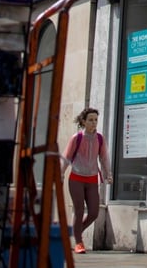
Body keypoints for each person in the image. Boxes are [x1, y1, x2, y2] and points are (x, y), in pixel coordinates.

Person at [62, 107, 113, 254]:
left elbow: (104, 157)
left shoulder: (100, 138)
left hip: (92, 179)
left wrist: (108, 173)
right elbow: (66, 157)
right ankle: (78, 242)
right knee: (78, 210)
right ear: (83, 121)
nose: (94, 123)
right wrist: (61, 173)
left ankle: (76, 232)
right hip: (76, 178)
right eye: (90, 120)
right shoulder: (76, 138)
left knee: (94, 213)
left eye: (96, 120)